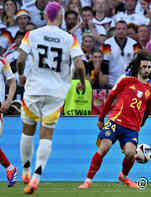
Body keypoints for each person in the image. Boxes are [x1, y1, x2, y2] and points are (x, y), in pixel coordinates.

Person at [16, 2, 86, 194]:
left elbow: (20, 59)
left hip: (34, 89)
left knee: (27, 131)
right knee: (47, 135)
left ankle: (26, 171)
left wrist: (21, 75)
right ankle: (37, 177)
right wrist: (81, 81)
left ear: (46, 16)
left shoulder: (33, 34)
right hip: (56, 93)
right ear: (61, 17)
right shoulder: (69, 38)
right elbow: (80, 66)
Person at [79, 49, 151, 189]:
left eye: (149, 67)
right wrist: (101, 118)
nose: (147, 70)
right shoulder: (125, 81)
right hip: (115, 121)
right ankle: (88, 181)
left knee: (131, 154)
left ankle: (124, 176)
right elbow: (110, 98)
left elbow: (147, 111)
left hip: (131, 128)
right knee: (104, 148)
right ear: (138, 67)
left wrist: (141, 123)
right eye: (144, 66)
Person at [0, 57, 17, 187]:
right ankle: (9, 167)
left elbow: (12, 82)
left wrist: (8, 100)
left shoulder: (2, 62)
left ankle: (9, 167)